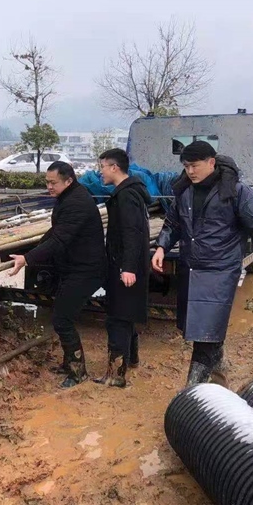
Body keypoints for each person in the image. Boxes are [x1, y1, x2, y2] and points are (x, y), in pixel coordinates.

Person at [152, 141, 253, 387]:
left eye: (194, 166)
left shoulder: (235, 192)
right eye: (186, 166)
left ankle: (192, 392)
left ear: (211, 162)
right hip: (191, 269)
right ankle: (220, 377)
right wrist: (161, 247)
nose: (190, 171)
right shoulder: (185, 191)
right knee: (203, 330)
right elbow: (173, 223)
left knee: (205, 335)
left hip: (220, 272)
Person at [8, 161, 106, 389]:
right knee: (61, 314)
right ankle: (68, 363)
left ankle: (78, 372)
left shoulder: (77, 202)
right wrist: (30, 251)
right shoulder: (68, 197)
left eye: (53, 183)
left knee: (62, 319)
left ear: (68, 180)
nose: (49, 187)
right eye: (47, 182)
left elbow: (60, 239)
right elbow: (55, 232)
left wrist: (28, 258)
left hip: (86, 270)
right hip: (74, 267)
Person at [94, 148, 152, 388]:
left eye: (103, 167)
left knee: (117, 317)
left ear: (114, 167)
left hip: (125, 266)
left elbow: (132, 232)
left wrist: (127, 267)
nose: (100, 172)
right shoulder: (131, 191)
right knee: (127, 313)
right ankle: (132, 360)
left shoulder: (127, 196)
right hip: (128, 264)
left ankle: (115, 376)